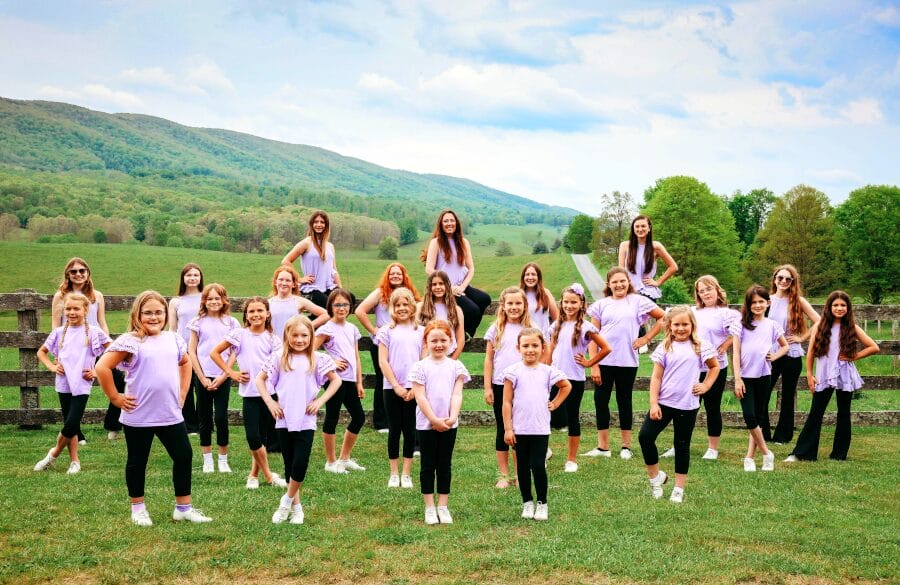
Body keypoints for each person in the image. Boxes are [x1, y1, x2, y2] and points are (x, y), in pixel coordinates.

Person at [95, 291, 212, 526]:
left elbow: (185, 362)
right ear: (137, 314)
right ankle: (138, 508)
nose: (153, 317)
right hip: (139, 415)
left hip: (169, 413)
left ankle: (183, 507)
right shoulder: (130, 341)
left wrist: (182, 392)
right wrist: (116, 398)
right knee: (138, 461)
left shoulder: (173, 339)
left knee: (184, 455)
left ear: (165, 314)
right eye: (147, 313)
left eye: (158, 312)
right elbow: (102, 367)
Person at [256, 315, 342, 525]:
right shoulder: (278, 358)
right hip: (284, 418)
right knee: (289, 464)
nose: (300, 339)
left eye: (304, 335)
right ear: (287, 335)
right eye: (295, 335)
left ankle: (285, 502)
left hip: (306, 420)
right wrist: (271, 403)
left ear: (311, 336)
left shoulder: (318, 358)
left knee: (301, 463)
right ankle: (297, 508)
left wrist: (319, 402)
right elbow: (260, 380)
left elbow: (336, 380)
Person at [639, 306, 720, 503]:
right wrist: (653, 403)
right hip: (664, 403)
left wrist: (706, 385)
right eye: (676, 324)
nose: (681, 328)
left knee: (682, 445)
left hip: (687, 405)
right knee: (645, 437)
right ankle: (655, 479)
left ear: (692, 325)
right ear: (670, 326)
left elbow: (715, 367)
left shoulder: (701, 346)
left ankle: (678, 488)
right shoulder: (665, 347)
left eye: (685, 324)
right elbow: (656, 377)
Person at [786, 292, 879, 462]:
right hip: (823, 374)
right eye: (835, 305)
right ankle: (803, 453)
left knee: (844, 413)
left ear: (848, 308)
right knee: (816, 412)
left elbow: (874, 347)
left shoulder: (852, 327)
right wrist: (809, 374)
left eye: (843, 305)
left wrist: (854, 357)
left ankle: (839, 454)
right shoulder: (820, 325)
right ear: (829, 307)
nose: (839, 308)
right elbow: (812, 351)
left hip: (844, 374)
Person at [585, 267, 665, 459]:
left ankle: (626, 447)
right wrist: (594, 364)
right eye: (615, 282)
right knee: (601, 401)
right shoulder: (601, 305)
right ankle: (603, 447)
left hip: (627, 361)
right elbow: (592, 336)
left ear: (628, 282)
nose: (619, 285)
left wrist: (646, 339)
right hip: (603, 361)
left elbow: (663, 317)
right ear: (608, 284)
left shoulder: (638, 301)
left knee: (624, 401)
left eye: (623, 281)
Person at [210, 297, 287, 490]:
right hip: (250, 395)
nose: (256, 315)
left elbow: (279, 365)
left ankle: (253, 475)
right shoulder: (239, 335)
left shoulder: (273, 339)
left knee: (263, 438)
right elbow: (215, 353)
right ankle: (269, 477)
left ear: (267, 313)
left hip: (270, 395)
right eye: (251, 311)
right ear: (246, 315)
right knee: (253, 437)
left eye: (260, 310)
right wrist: (231, 373)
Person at [662, 275, 740, 461]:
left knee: (712, 407)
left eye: (709, 289)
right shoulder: (693, 311)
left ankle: (712, 448)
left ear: (717, 289)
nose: (706, 293)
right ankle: (678, 445)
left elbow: (740, 331)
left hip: (715, 367)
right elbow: (670, 320)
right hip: (692, 368)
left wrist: (726, 344)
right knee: (684, 408)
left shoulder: (726, 313)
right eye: (701, 290)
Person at [34, 293, 111, 474]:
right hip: (63, 384)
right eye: (68, 308)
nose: (72, 312)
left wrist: (96, 371)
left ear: (85, 310)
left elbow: (112, 351)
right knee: (72, 424)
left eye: (76, 308)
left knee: (71, 423)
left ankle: (52, 455)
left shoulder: (94, 332)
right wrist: (52, 367)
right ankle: (75, 461)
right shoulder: (59, 332)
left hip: (82, 384)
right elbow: (41, 352)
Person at [502, 327, 571, 521]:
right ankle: (527, 502)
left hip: (540, 428)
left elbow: (566, 386)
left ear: (542, 348)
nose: (530, 349)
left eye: (535, 345)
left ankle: (542, 503)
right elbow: (506, 401)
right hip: (519, 429)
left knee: (537, 465)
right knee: (522, 467)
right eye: (526, 346)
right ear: (518, 348)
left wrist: (556, 403)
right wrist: (508, 428)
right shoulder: (512, 372)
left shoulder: (548, 371)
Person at [410, 320, 470, 525]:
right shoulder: (419, 367)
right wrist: (433, 419)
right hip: (426, 424)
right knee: (428, 465)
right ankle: (429, 506)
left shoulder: (456, 367)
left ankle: (443, 505)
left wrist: (452, 418)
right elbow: (421, 396)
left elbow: (457, 394)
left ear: (450, 341)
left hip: (449, 423)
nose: (438, 344)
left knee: (444, 464)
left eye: (443, 340)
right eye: (433, 340)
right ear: (426, 341)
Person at [548, 284, 611, 472]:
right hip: (554, 377)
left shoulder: (586, 327)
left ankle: (571, 459)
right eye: (566, 302)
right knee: (546, 414)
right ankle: (544, 451)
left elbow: (606, 348)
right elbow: (551, 349)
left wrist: (590, 363)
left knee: (572, 417)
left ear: (581, 303)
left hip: (574, 379)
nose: (569, 305)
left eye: (573, 302)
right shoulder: (557, 324)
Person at [51, 257, 111, 443]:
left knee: (117, 379)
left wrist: (108, 348)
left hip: (94, 344)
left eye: (82, 271)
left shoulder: (97, 296)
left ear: (88, 273)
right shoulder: (60, 296)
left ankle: (113, 424)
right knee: (69, 387)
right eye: (74, 271)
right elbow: (55, 325)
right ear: (68, 274)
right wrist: (57, 354)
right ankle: (75, 432)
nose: (78, 274)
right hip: (70, 348)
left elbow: (102, 323)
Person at [356, 262, 421, 433]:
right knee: (383, 379)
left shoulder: (409, 294)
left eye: (398, 273)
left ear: (404, 276)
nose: (395, 276)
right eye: (392, 273)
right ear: (387, 275)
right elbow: (360, 311)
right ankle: (381, 421)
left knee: (407, 378)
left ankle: (405, 419)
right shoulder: (380, 292)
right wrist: (374, 330)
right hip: (384, 341)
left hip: (404, 341)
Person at [732, 285, 788, 472]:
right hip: (745, 377)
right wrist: (737, 378)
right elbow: (736, 352)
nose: (757, 305)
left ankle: (749, 457)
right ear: (748, 305)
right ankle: (766, 452)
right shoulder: (740, 325)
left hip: (764, 376)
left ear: (768, 303)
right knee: (749, 416)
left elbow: (785, 346)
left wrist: (775, 356)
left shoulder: (772, 325)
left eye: (761, 302)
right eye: (753, 302)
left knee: (758, 416)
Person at [188, 283, 241, 474]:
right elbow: (192, 351)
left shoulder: (232, 323)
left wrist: (224, 374)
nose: (213, 302)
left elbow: (235, 350)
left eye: (217, 298)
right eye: (209, 299)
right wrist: (202, 378)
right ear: (204, 301)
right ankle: (207, 459)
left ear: (224, 300)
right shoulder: (197, 322)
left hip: (222, 376)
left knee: (220, 417)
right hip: (203, 376)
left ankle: (223, 459)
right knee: (204, 418)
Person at [484, 287, 534, 488]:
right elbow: (489, 359)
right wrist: (487, 387)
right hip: (500, 385)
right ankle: (504, 475)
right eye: (510, 304)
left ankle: (521, 473)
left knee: (521, 430)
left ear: (525, 306)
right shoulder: (496, 328)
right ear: (503, 306)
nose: (514, 307)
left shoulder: (531, 329)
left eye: (518, 303)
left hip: (524, 386)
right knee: (503, 429)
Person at [376, 287, 424, 488]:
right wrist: (395, 385)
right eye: (398, 305)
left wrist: (415, 387)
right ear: (392, 308)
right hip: (392, 387)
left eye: (406, 304)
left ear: (412, 306)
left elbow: (423, 360)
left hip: (414, 388)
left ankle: (406, 473)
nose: (402, 308)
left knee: (410, 430)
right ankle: (394, 473)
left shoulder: (421, 331)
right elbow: (383, 361)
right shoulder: (386, 331)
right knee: (394, 429)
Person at [314, 288, 366, 473]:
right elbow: (310, 350)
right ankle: (330, 462)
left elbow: (356, 357)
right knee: (332, 417)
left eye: (345, 304)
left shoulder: (352, 329)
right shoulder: (326, 328)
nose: (341, 308)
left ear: (350, 307)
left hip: (350, 381)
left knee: (359, 417)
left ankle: (344, 458)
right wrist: (331, 361)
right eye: (337, 305)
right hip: (335, 380)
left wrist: (359, 382)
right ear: (330, 306)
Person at [768, 264, 819, 444]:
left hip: (791, 354)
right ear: (774, 279)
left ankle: (783, 435)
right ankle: (762, 433)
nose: (783, 281)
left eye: (787, 279)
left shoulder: (798, 301)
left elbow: (819, 321)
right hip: (770, 353)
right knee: (763, 392)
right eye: (780, 278)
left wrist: (802, 337)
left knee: (788, 395)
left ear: (793, 282)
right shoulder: (766, 300)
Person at [423, 209, 491, 339]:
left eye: (452, 220)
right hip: (446, 288)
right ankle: (464, 335)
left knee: (485, 299)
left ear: (457, 223)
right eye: (446, 221)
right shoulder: (436, 242)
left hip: (461, 286)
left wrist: (463, 287)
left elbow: (471, 268)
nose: (449, 223)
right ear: (441, 224)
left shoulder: (464, 242)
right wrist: (449, 287)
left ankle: (466, 332)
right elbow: (429, 269)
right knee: (473, 310)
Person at [281, 211, 345, 309]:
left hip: (328, 286)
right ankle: (311, 323)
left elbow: (333, 269)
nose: (319, 225)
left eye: (322, 222)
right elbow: (286, 261)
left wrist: (340, 287)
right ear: (312, 224)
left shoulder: (330, 246)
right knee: (329, 306)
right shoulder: (306, 243)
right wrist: (299, 279)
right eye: (316, 222)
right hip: (312, 288)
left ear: (326, 225)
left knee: (349, 300)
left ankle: (313, 322)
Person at [168, 263, 204, 435]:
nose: (192, 278)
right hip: (183, 349)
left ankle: (204, 423)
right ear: (183, 278)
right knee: (186, 386)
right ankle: (190, 425)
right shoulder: (176, 302)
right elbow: (173, 328)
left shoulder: (206, 297)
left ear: (200, 278)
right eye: (189, 275)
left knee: (202, 386)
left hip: (203, 349)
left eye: (196, 275)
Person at [617, 215, 678, 303]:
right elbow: (620, 271)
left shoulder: (656, 246)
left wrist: (658, 282)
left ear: (649, 228)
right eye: (637, 226)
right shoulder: (625, 245)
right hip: (628, 292)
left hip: (647, 293)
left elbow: (673, 267)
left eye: (643, 226)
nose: (640, 229)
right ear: (633, 229)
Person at [268, 265, 329, 339]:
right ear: (275, 282)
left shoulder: (299, 301)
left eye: (288, 280)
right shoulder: (269, 303)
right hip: (273, 345)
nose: (284, 283)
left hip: (293, 344)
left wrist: (306, 327)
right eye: (281, 280)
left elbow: (326, 314)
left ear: (294, 284)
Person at [416, 271, 465, 359]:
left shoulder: (456, 310)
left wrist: (452, 361)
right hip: (426, 357)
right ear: (429, 287)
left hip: (448, 355)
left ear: (447, 286)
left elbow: (461, 339)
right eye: (434, 284)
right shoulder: (420, 307)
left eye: (441, 284)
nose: (438, 287)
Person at [519, 262, 558, 337]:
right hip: (524, 339)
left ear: (538, 277)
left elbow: (556, 318)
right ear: (523, 277)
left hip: (543, 339)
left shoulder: (545, 293)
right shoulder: (519, 294)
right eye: (527, 274)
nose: (530, 277)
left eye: (533, 274)